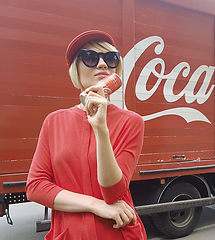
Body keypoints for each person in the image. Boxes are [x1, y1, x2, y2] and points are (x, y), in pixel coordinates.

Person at [26, 30, 147, 240]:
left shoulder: (132, 121)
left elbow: (113, 192)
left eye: (110, 59)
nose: (102, 64)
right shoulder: (54, 121)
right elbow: (36, 186)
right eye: (90, 58)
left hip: (118, 234)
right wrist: (96, 205)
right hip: (68, 235)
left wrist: (101, 129)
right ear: (76, 70)